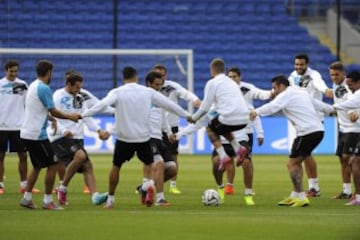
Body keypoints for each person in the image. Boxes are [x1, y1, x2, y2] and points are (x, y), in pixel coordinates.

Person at [81, 66, 191, 208]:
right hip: (144, 137)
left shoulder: (118, 92)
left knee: (116, 166)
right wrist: (187, 115)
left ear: (123, 78)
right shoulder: (147, 93)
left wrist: (82, 115)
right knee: (154, 164)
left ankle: (113, 199)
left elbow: (102, 105)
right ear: (137, 78)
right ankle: (159, 197)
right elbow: (170, 105)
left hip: (126, 138)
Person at [250, 74, 333, 207]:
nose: (274, 91)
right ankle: (295, 195)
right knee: (297, 162)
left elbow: (273, 106)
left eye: (274, 88)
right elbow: (318, 104)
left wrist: (256, 112)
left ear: (281, 86)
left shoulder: (285, 95)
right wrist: (332, 109)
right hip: (317, 130)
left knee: (292, 164)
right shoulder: (301, 92)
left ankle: (301, 197)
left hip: (307, 132)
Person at [19, 60, 80, 210]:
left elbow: (38, 109)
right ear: (49, 72)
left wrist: (51, 119)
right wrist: (70, 117)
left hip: (26, 132)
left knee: (38, 166)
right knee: (53, 164)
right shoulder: (44, 88)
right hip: (37, 135)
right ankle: (47, 201)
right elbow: (53, 110)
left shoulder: (33, 85)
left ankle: (27, 198)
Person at [47, 72, 110, 206]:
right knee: (81, 156)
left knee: (88, 166)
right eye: (76, 87)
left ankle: (95, 196)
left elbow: (85, 116)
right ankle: (62, 187)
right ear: (68, 84)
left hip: (77, 137)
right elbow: (53, 116)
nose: (79, 90)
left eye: (80, 87)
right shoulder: (58, 96)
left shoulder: (80, 97)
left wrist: (98, 130)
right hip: (60, 136)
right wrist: (63, 130)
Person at [189, 58, 250, 172]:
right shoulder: (232, 82)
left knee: (210, 127)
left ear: (212, 70)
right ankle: (239, 149)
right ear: (224, 70)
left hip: (229, 118)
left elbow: (205, 107)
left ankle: (223, 156)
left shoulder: (212, 83)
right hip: (244, 119)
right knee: (221, 125)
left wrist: (194, 118)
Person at [288, 53, 333, 197]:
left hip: (314, 119)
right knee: (305, 154)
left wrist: (326, 90)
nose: (299, 67)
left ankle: (313, 188)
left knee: (305, 154)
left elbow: (319, 83)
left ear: (307, 64)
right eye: (297, 64)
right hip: (301, 120)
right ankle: (311, 188)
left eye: (301, 64)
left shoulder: (314, 75)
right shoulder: (292, 76)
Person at [153, 64, 201, 194]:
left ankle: (173, 185)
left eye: (162, 74)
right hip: (154, 127)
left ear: (165, 75)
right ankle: (148, 182)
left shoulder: (172, 86)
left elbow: (185, 93)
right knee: (152, 158)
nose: (160, 77)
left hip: (172, 126)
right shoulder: (149, 90)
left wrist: (195, 100)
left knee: (173, 156)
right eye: (157, 74)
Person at [226, 67, 272, 196]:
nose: (232, 79)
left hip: (246, 132)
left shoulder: (247, 88)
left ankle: (249, 190)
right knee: (229, 159)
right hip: (229, 131)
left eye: (234, 76)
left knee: (247, 161)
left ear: (240, 77)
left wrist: (260, 133)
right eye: (229, 77)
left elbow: (259, 96)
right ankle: (229, 185)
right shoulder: (223, 90)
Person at [137, 71, 178, 206]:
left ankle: (145, 188)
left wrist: (169, 133)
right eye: (156, 84)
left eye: (160, 85)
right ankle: (160, 199)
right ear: (149, 83)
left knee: (172, 168)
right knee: (159, 164)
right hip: (146, 137)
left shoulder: (159, 97)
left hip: (159, 137)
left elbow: (162, 118)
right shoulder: (140, 97)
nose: (159, 87)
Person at [0, 60, 40, 194]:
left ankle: (24, 185)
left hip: (19, 126)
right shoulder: (0, 84)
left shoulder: (22, 85)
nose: (13, 73)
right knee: (0, 156)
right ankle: (0, 185)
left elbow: (29, 104)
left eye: (16, 71)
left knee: (23, 155)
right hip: (2, 126)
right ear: (6, 71)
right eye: (11, 71)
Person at [329, 62, 358, 199]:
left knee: (350, 159)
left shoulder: (349, 85)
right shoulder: (336, 86)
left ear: (343, 73)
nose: (334, 77)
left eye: (337, 74)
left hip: (353, 128)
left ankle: (356, 191)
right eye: (332, 75)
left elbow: (352, 100)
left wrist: (352, 112)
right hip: (342, 127)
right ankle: (346, 190)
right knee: (342, 159)